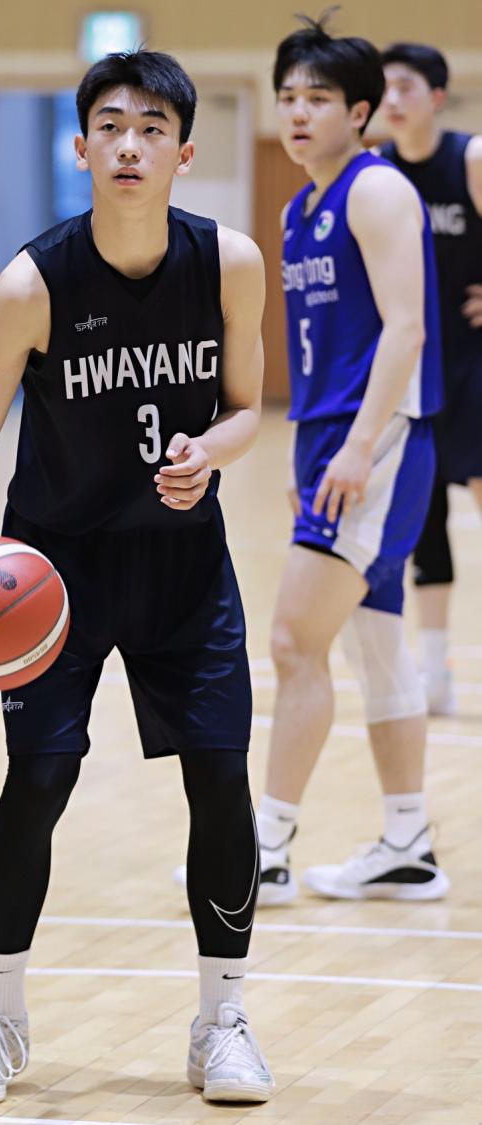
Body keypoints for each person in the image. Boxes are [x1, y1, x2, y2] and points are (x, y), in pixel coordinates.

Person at [0, 50, 274, 1106]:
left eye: (153, 128)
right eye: (111, 126)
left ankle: (222, 1020)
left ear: (184, 153)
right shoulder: (33, 284)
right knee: (39, 781)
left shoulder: (230, 263)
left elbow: (249, 407)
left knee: (220, 780)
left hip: (183, 566)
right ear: (81, 148)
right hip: (56, 572)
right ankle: (0, 1017)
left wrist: (213, 451)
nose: (130, 144)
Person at [254, 16, 451, 905]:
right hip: (330, 442)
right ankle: (407, 842)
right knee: (376, 644)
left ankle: (263, 850)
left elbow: (406, 330)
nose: (298, 113)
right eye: (287, 97)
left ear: (360, 112)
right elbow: (323, 347)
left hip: (378, 443)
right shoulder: (298, 210)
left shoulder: (376, 192)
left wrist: (360, 448)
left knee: (295, 641)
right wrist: (309, 449)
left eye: (319, 98)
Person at [379, 43, 482, 715]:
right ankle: (436, 670)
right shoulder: (378, 172)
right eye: (384, 88)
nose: (392, 99)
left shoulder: (469, 158)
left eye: (406, 87)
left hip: (475, 361)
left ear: (437, 96)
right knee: (425, 521)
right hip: (416, 367)